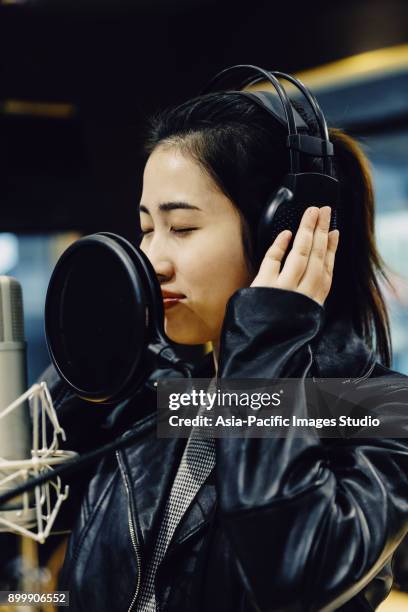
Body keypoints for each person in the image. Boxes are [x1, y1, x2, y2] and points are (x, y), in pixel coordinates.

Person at [44, 89, 408, 611]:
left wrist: (268, 339)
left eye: (183, 227)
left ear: (275, 233)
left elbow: (293, 576)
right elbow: (30, 502)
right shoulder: (156, 395)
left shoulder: (380, 407)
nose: (152, 260)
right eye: (147, 229)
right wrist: (95, 343)